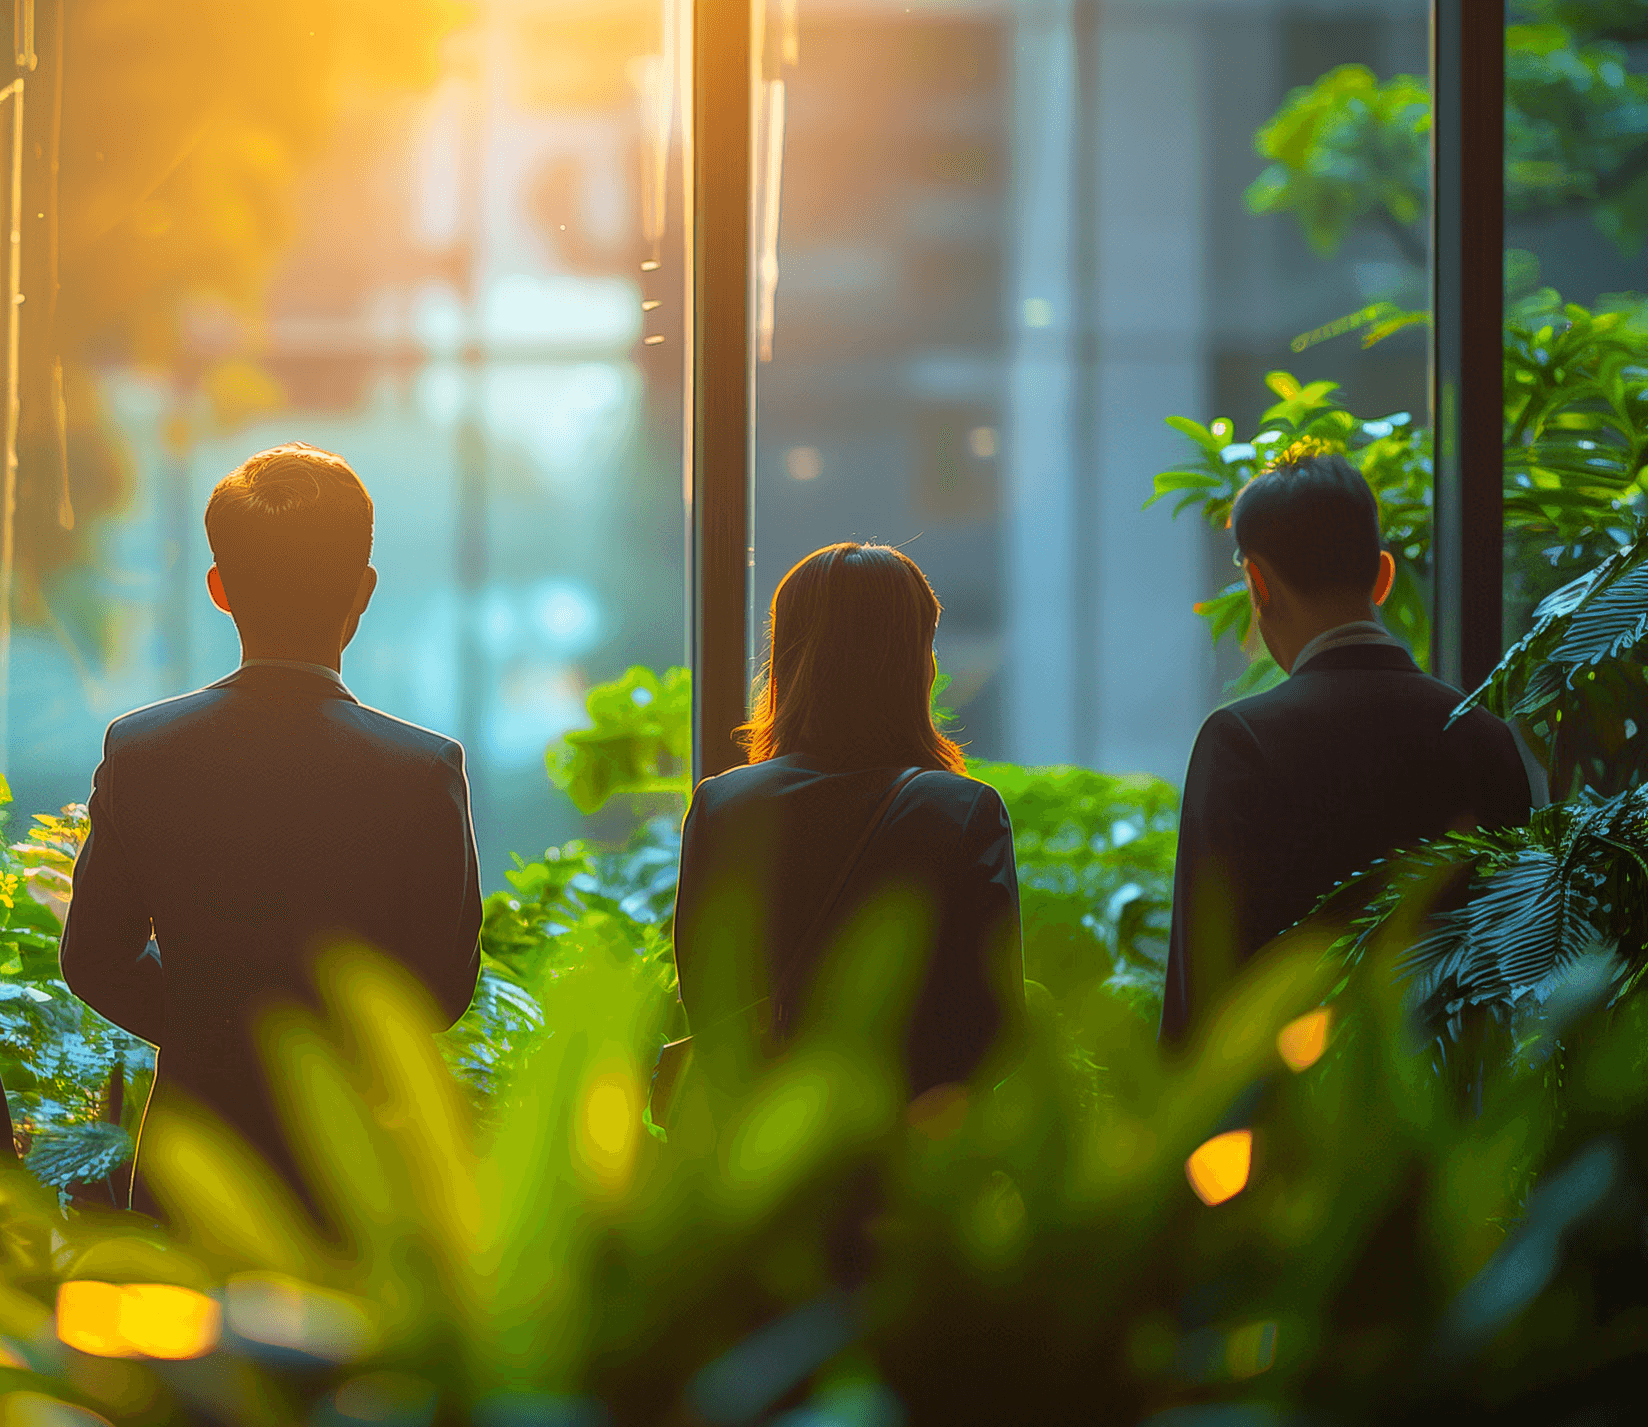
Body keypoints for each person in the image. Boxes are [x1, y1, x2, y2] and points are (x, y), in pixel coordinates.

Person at [60, 442, 482, 1215]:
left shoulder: (143, 750)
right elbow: (442, 986)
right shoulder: (424, 770)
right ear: (363, 590)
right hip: (358, 1168)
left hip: (195, 1154)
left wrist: (209, 1024)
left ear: (220, 590)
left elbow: (92, 956)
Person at [1160, 447, 1531, 1046]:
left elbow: (1205, 1006)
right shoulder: (1485, 738)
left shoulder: (1241, 744)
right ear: (1383, 576)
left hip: (1295, 1128)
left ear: (1258, 582)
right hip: (1457, 1127)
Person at [672, 542, 1025, 1109]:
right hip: (904, 1156)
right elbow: (991, 1029)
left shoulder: (722, 805)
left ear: (786, 658)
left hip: (759, 1158)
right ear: (916, 663)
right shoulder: (963, 812)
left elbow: (709, 999)